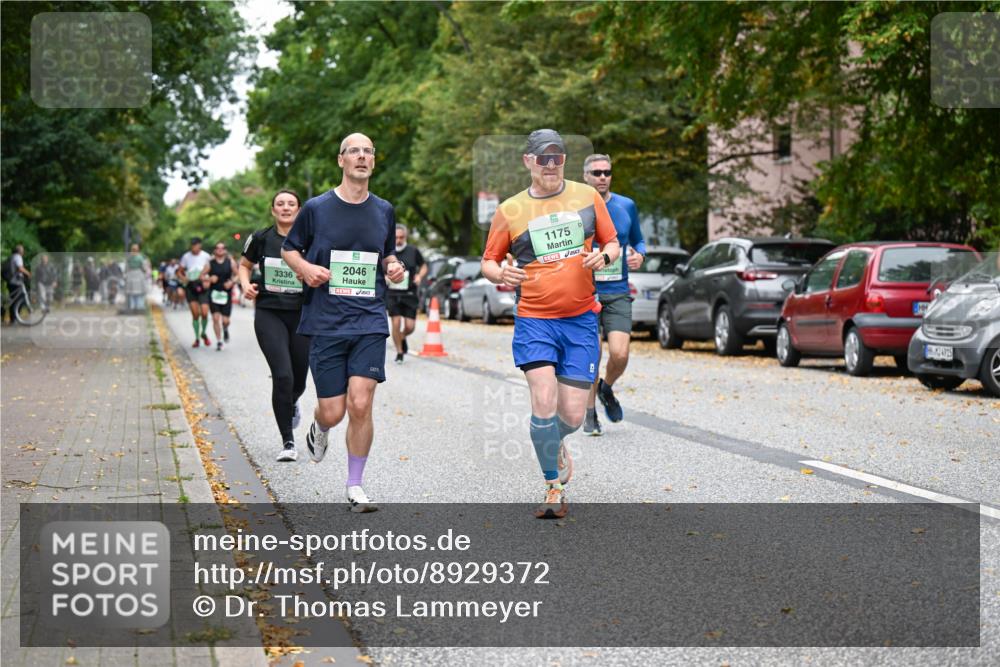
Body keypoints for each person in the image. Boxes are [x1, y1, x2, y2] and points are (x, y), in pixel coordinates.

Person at [481, 129, 620, 519]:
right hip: (534, 319)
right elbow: (489, 260)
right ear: (528, 161)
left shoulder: (588, 197)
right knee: (543, 401)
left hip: (580, 320)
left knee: (572, 416)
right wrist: (500, 274)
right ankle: (553, 488)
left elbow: (611, 243)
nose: (550, 165)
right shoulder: (510, 210)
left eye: (557, 157)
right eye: (543, 157)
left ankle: (553, 441)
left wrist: (604, 258)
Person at [281, 133, 405, 512]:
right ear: (341, 160)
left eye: (368, 151)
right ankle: (319, 427)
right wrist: (306, 269)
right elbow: (289, 249)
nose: (362, 156)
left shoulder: (384, 210)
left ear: (373, 161)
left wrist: (394, 266)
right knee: (333, 412)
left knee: (361, 404)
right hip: (327, 321)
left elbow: (388, 254)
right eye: (354, 151)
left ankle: (355, 486)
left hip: (369, 320)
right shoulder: (316, 208)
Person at [240, 189, 310, 462]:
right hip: (269, 313)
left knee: (299, 380)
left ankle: (291, 402)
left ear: (299, 210)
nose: (285, 207)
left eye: (291, 204)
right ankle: (288, 441)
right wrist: (245, 285)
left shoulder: (310, 238)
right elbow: (244, 266)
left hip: (302, 315)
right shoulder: (261, 238)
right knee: (282, 376)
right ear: (273, 210)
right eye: (280, 204)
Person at [581, 154, 646, 436]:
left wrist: (640, 255)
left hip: (618, 291)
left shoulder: (625, 205)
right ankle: (590, 414)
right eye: (596, 173)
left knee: (620, 354)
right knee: (591, 355)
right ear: (585, 176)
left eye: (607, 172)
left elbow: (639, 240)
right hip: (585, 293)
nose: (602, 177)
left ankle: (605, 388)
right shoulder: (576, 207)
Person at [385, 224, 427, 364]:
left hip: (409, 293)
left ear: (406, 237)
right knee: (396, 323)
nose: (398, 240)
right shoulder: (388, 252)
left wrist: (419, 276)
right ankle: (399, 352)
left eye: (401, 237)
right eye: (396, 237)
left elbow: (424, 266)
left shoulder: (413, 250)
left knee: (410, 326)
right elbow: (380, 269)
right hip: (392, 293)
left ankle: (402, 337)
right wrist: (385, 277)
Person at [178, 237, 212, 347]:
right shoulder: (186, 256)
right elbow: (179, 271)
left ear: (200, 245)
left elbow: (211, 269)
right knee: (195, 314)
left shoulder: (206, 256)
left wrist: (207, 279)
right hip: (191, 286)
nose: (194, 247)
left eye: (196, 245)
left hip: (203, 285)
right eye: (192, 245)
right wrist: (183, 279)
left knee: (205, 313)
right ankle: (197, 338)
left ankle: (203, 333)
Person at [207, 242, 237, 349]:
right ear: (215, 250)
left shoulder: (230, 262)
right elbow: (201, 276)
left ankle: (225, 328)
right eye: (218, 248)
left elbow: (238, 274)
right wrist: (209, 278)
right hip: (214, 293)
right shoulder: (210, 263)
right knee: (215, 318)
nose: (220, 249)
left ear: (225, 250)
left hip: (226, 294)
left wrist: (232, 282)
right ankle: (219, 341)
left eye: (222, 248)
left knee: (225, 321)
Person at [3, 245, 31, 324]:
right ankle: (14, 318)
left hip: (10, 281)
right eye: (22, 250)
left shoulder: (11, 257)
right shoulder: (18, 257)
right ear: (20, 251)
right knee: (20, 299)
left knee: (13, 300)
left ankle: (13, 319)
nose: (23, 251)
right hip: (16, 282)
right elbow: (20, 268)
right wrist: (28, 273)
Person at [125, 243, 150, 312]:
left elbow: (127, 268)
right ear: (138, 250)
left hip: (130, 274)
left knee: (131, 292)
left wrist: (126, 275)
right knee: (140, 292)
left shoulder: (129, 257)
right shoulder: (141, 257)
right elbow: (144, 267)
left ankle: (132, 307)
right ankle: (139, 307)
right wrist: (146, 273)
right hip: (139, 274)